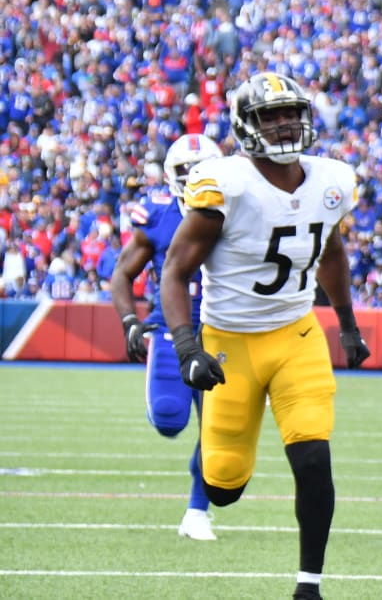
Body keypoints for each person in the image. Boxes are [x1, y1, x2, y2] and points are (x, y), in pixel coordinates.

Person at [160, 72, 371, 600]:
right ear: (245, 126)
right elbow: (174, 271)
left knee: (313, 457)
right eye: (269, 116)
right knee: (223, 486)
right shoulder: (223, 182)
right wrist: (189, 348)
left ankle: (309, 586)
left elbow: (331, 252)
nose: (283, 125)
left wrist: (347, 325)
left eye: (290, 114)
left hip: (297, 336)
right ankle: (213, 463)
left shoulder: (331, 179)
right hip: (230, 340)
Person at [110, 133, 223, 540]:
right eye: (185, 171)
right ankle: (159, 410)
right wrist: (129, 321)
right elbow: (121, 274)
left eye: (201, 170)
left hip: (223, 332)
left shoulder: (239, 209)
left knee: (216, 430)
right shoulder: (157, 214)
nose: (193, 177)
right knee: (169, 419)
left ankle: (197, 510)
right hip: (171, 330)